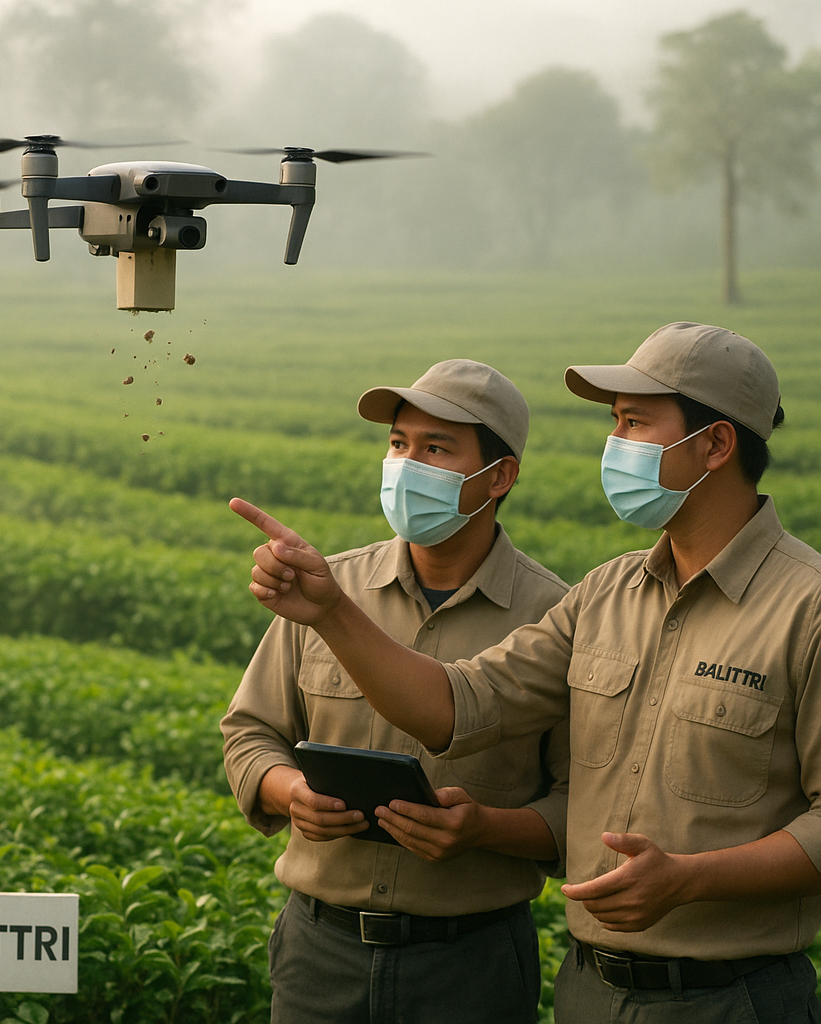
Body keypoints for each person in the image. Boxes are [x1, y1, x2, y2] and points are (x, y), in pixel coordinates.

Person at [231, 322, 821, 1023]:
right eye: (615, 424)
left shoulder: (806, 608)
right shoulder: (604, 595)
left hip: (735, 999)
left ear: (716, 444)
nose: (615, 445)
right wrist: (331, 611)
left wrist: (690, 880)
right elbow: (457, 705)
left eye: (634, 423)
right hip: (589, 992)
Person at [222, 359, 571, 1024]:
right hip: (320, 951)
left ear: (499, 477)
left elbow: (584, 799)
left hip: (470, 964)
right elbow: (250, 731)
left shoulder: (552, 616)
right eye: (398, 444)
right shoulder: (328, 589)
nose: (408, 465)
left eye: (437, 449)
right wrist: (290, 793)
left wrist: (486, 830)